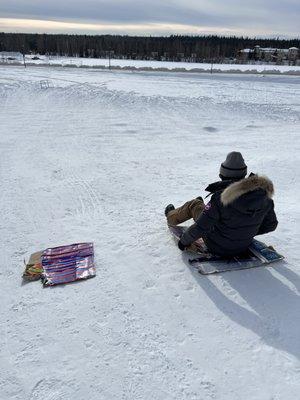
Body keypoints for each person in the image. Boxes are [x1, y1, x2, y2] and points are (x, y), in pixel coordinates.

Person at [165, 152, 278, 257]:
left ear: (222, 174)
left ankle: (171, 216)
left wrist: (183, 242)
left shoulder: (221, 198)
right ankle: (205, 209)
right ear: (244, 174)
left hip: (216, 246)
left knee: (195, 204)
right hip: (243, 246)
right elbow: (271, 224)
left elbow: (201, 227)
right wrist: (245, 233)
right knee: (209, 211)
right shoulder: (264, 197)